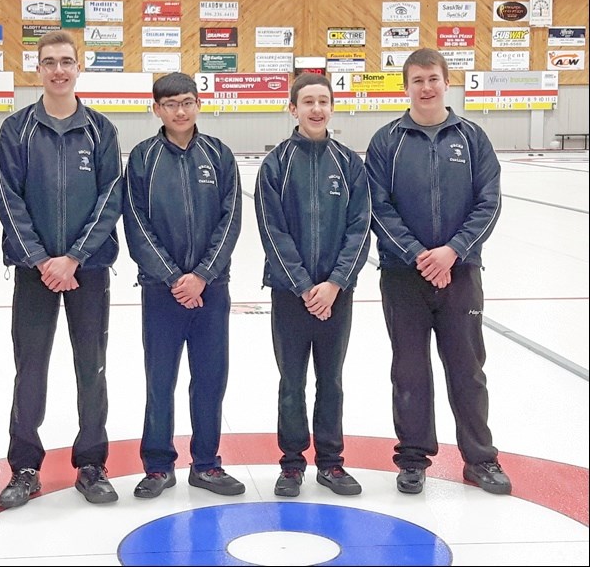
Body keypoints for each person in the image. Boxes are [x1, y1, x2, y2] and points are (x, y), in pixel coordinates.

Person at [365, 47, 511, 495]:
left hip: (461, 273)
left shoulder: (472, 138)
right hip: (403, 276)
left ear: (447, 82)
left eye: (433, 79)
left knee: (467, 368)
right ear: (405, 87)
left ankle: (480, 460)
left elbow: (490, 201)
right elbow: (378, 207)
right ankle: (413, 458)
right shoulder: (386, 141)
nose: (426, 88)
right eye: (417, 81)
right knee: (409, 369)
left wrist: (453, 251)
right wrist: (419, 256)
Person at [0, 31, 124, 508]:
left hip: (87, 270)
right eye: (49, 62)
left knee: (92, 367)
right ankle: (25, 466)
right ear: (38, 68)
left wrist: (74, 258)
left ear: (78, 66)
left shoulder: (101, 131)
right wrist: (42, 259)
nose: (59, 70)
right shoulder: (17, 130)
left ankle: (92, 464)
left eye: (66, 61)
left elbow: (112, 198)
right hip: (34, 271)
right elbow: (8, 196)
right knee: (30, 368)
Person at [123, 72, 244, 499]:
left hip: (212, 289)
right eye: (171, 103)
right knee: (160, 378)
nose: (180, 110)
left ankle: (207, 464)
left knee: (210, 378)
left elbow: (231, 220)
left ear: (198, 104)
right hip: (161, 291)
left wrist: (203, 275)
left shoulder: (219, 154)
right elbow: (136, 225)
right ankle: (157, 465)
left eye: (188, 102)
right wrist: (174, 278)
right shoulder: (141, 158)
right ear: (156, 108)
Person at [255, 72, 371, 498]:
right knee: (292, 381)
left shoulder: (350, 163)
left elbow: (360, 229)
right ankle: (291, 463)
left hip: (337, 296)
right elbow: (273, 231)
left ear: (332, 107)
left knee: (332, 380)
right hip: (291, 294)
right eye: (308, 102)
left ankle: (331, 462)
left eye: (323, 101)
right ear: (293, 109)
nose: (317, 109)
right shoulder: (275, 165)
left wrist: (335, 283)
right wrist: (305, 287)